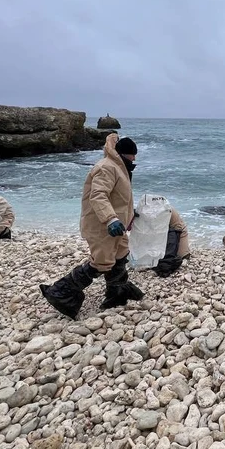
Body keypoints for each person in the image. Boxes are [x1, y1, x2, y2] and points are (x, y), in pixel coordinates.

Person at [40, 134, 143, 318]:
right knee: (102, 262)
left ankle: (116, 291)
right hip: (101, 225)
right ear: (123, 154)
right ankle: (61, 291)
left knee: (120, 253)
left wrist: (129, 214)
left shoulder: (119, 168)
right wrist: (111, 219)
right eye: (132, 155)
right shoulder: (106, 168)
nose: (134, 158)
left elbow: (119, 198)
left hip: (115, 225)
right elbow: (98, 195)